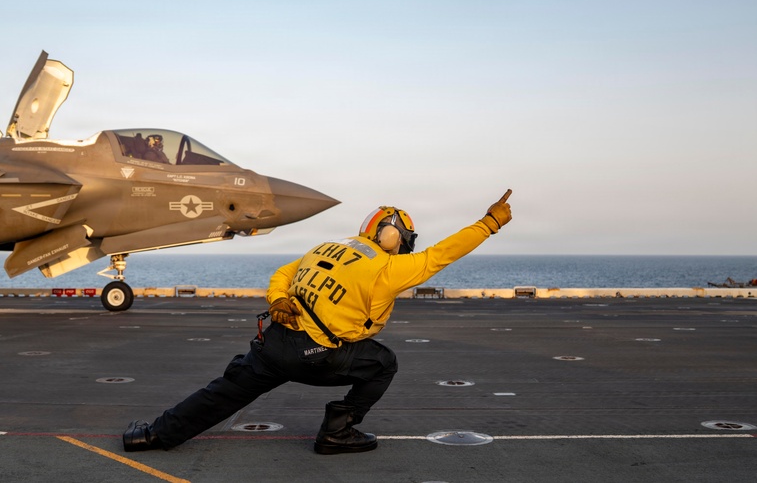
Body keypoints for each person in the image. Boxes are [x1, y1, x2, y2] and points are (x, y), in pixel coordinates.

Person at [123, 190, 514, 454]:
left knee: (225, 390)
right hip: (318, 355)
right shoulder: (389, 267)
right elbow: (441, 255)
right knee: (383, 363)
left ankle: (153, 434)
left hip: (275, 342)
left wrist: (278, 300)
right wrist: (489, 223)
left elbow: (282, 273)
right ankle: (336, 431)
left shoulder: (328, 246)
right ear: (393, 235)